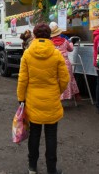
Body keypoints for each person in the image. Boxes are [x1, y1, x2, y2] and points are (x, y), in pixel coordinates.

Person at [17, 23, 69, 174]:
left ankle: (32, 167)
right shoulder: (56, 53)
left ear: (34, 35)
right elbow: (65, 79)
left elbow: (22, 79)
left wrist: (21, 98)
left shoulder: (27, 53)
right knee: (51, 136)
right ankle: (51, 169)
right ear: (50, 35)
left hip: (33, 101)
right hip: (52, 100)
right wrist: (57, 91)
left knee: (34, 134)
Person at [49, 22, 80, 104]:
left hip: (54, 63)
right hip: (65, 62)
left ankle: (57, 99)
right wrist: (70, 42)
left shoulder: (50, 43)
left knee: (56, 81)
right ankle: (74, 96)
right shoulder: (65, 41)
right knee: (69, 78)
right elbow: (71, 49)